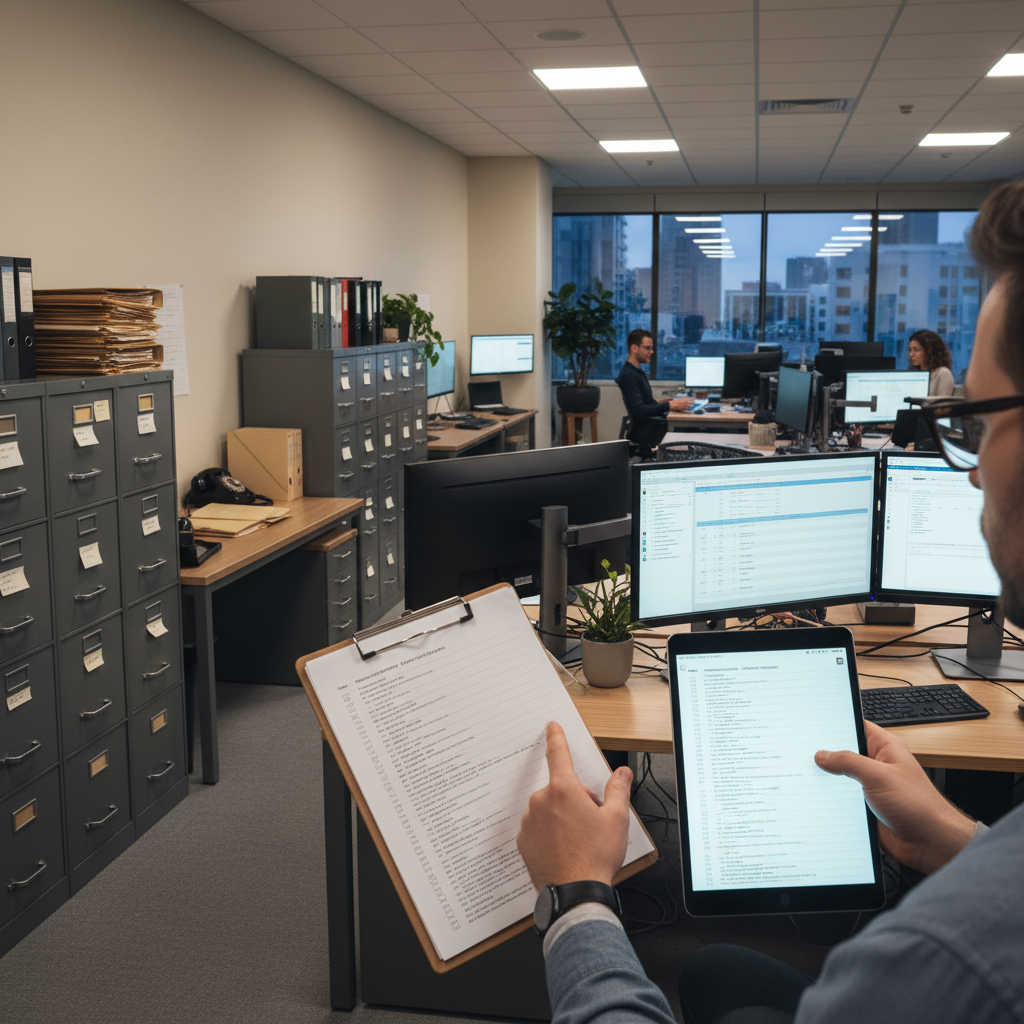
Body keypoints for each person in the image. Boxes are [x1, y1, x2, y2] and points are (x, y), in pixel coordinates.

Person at [517, 178, 1024, 1024]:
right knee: (721, 971)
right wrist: (959, 841)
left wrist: (579, 900)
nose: (969, 466)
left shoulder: (947, 959)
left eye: (972, 421)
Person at [615, 329, 693, 455]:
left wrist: (659, 403)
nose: (651, 352)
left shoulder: (637, 372)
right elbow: (639, 411)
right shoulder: (629, 375)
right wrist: (669, 406)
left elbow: (642, 403)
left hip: (649, 430)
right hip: (644, 436)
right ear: (634, 348)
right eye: (647, 348)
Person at [908, 328, 955, 396]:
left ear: (930, 351)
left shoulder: (943, 373)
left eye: (917, 350)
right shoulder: (917, 374)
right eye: (910, 350)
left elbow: (943, 405)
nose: (911, 354)